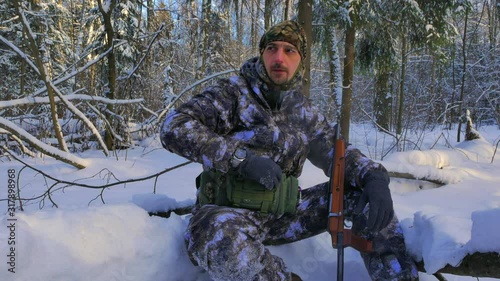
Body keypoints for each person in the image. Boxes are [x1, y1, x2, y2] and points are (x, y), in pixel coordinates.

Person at [161, 20, 418, 281]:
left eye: (289, 50)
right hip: (227, 214)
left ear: (301, 61)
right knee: (220, 239)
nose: (279, 57)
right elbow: (174, 127)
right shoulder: (232, 94)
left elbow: (337, 154)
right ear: (261, 54)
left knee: (362, 197)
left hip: (285, 214)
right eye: (271, 48)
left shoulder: (302, 110)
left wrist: (374, 176)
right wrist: (239, 158)